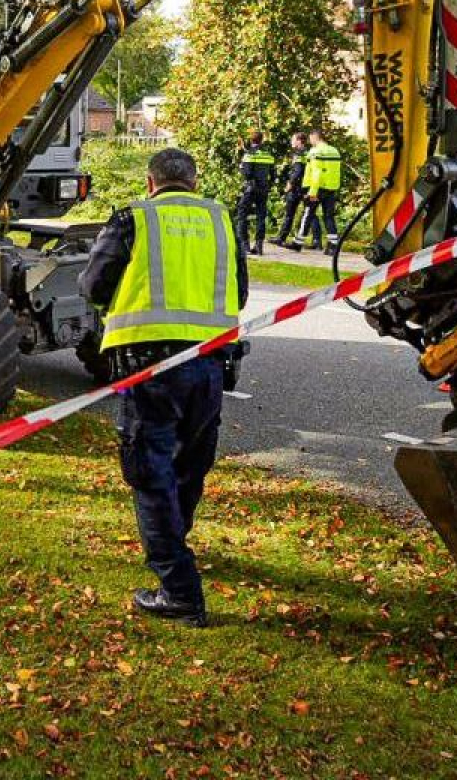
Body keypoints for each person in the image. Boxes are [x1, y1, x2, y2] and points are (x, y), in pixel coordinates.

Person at [80, 148, 246, 628]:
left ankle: (179, 591)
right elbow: (240, 290)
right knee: (187, 468)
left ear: (151, 183)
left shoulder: (134, 218)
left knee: (150, 474)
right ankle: (173, 545)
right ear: (193, 182)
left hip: (149, 367)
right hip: (210, 363)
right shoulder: (220, 219)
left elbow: (93, 285)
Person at [298, 130, 342, 253]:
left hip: (318, 188)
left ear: (315, 137)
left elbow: (317, 172)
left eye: (310, 139)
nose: (310, 141)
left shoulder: (315, 151)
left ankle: (298, 242)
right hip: (332, 188)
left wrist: (312, 191)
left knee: (308, 214)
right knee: (328, 216)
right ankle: (333, 245)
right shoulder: (334, 151)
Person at [235, 130, 275, 256]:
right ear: (262, 140)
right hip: (263, 189)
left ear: (251, 140)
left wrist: (241, 167)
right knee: (261, 216)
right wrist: (268, 185)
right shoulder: (268, 155)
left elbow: (246, 174)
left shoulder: (249, 155)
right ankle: (259, 245)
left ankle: (244, 244)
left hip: (250, 189)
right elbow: (274, 174)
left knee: (242, 214)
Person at [273, 132, 309, 248]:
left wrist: (290, 184)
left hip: (297, 188)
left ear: (299, 141)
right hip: (307, 186)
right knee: (309, 213)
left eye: (293, 140)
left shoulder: (299, 154)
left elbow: (297, 171)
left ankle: (281, 237)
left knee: (289, 213)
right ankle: (317, 241)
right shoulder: (309, 153)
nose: (291, 142)